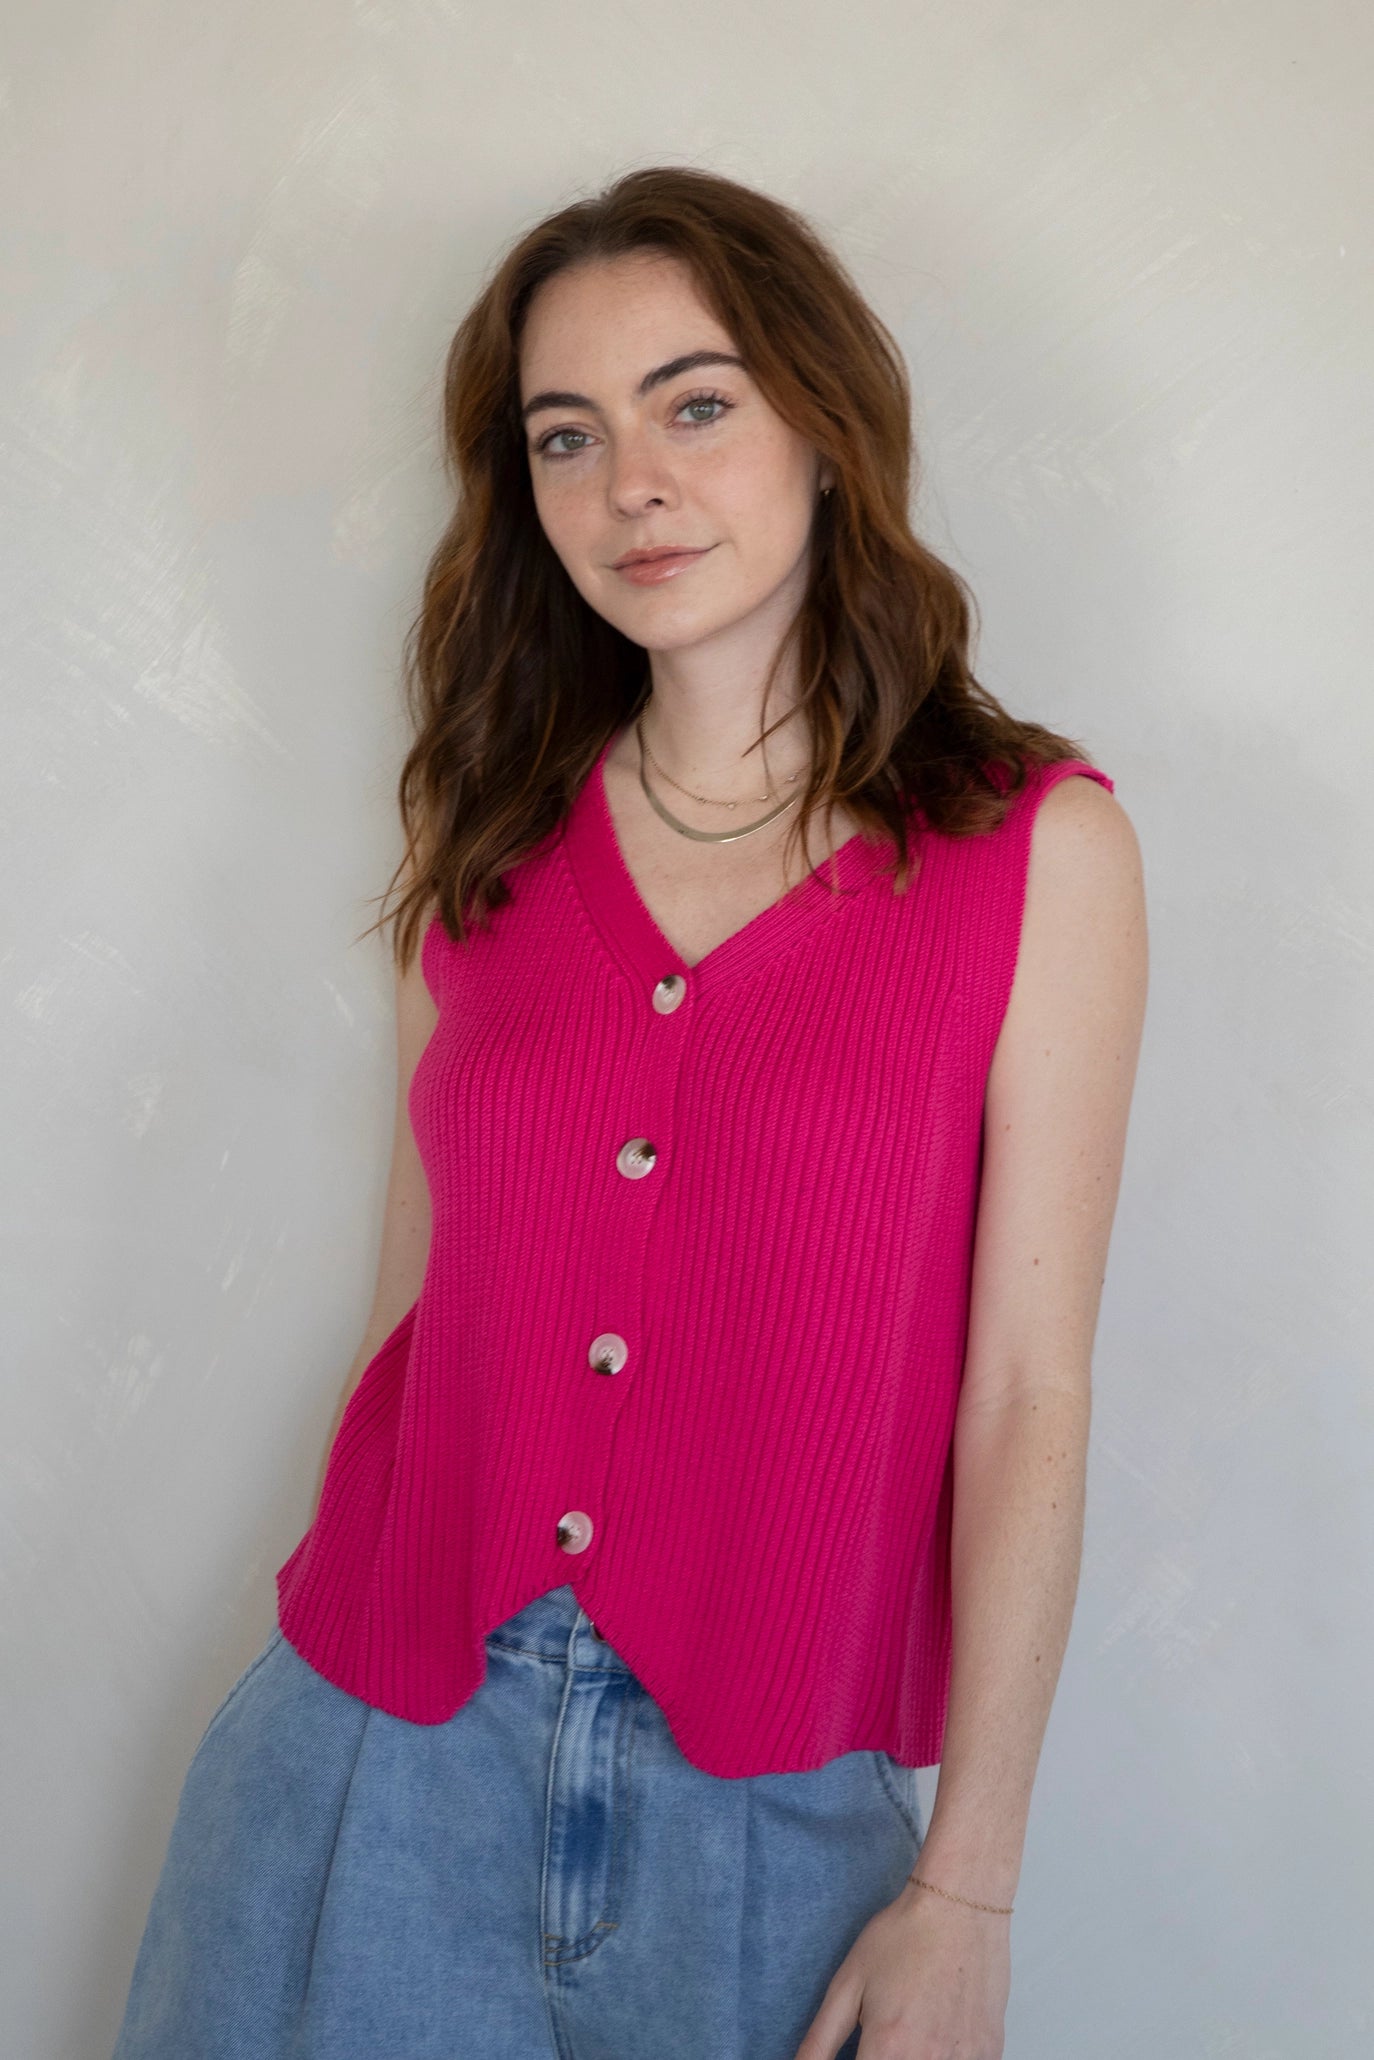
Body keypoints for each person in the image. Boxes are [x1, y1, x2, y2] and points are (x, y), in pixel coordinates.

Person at [111, 166, 1147, 2060]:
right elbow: (416, 1311)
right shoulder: (486, 847)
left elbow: (1025, 1396)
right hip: (376, 1757)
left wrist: (970, 1889)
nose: (630, 487)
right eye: (565, 436)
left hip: (769, 1815)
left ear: (824, 429)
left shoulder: (1029, 852)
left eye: (696, 404)